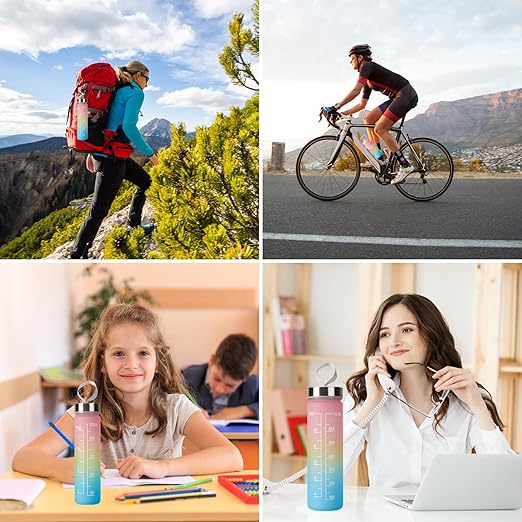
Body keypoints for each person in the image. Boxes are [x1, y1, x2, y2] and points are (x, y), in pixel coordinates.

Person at [12, 304, 243, 483]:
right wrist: (59, 467)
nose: (131, 364)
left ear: (157, 360)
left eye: (143, 353)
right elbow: (23, 457)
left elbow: (232, 457)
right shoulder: (88, 413)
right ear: (103, 362)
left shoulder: (177, 407)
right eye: (119, 354)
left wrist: (162, 468)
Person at [344, 293, 515, 489]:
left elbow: (505, 480)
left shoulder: (466, 396)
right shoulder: (366, 396)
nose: (394, 342)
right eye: (385, 334)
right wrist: (370, 405)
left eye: (406, 330)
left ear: (430, 334)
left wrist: (477, 405)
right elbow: (324, 476)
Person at [70, 61, 158, 259]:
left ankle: (132, 226)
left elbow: (103, 121)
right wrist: (151, 154)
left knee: (146, 182)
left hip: (109, 153)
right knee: (98, 211)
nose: (148, 84)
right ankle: (77, 256)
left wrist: (92, 153)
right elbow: (129, 127)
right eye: (147, 78)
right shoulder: (136, 92)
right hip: (112, 158)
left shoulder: (118, 88)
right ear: (138, 76)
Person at [326, 44, 419, 184]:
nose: (350, 61)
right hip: (397, 97)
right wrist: (341, 113)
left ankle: (405, 165)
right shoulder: (367, 79)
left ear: (360, 57)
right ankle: (379, 157)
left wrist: (335, 106)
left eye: (352, 58)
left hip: (406, 94)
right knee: (368, 118)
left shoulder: (367, 66)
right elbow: (362, 105)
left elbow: (356, 90)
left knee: (380, 128)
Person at [182, 334, 259, 420]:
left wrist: (243, 410)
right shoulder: (189, 377)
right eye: (217, 379)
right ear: (211, 360)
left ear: (245, 378)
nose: (219, 389)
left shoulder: (253, 386)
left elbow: (267, 405)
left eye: (230, 385)